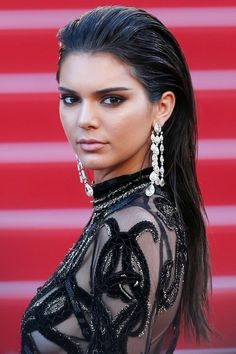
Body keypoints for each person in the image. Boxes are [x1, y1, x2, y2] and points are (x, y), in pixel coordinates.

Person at [21, 5, 212, 354]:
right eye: (70, 98)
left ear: (162, 108)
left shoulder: (131, 230)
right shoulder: (143, 211)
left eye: (111, 99)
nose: (85, 120)